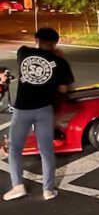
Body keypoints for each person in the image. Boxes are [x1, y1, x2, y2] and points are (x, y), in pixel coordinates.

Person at [4, 27, 75, 201]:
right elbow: (64, 88)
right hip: (44, 109)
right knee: (46, 150)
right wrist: (59, 59)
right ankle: (48, 190)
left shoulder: (23, 52)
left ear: (37, 40)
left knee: (15, 148)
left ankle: (18, 186)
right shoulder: (61, 63)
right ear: (55, 42)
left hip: (22, 109)